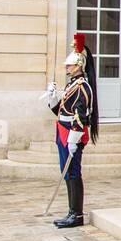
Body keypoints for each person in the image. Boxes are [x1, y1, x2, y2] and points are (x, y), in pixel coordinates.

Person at [41, 33, 98, 228]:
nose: (67, 68)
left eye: (70, 66)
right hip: (63, 131)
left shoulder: (83, 87)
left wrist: (74, 138)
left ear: (79, 66)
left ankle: (77, 214)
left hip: (72, 134)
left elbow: (81, 116)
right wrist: (52, 98)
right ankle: (71, 211)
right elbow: (62, 111)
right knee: (67, 172)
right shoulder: (72, 84)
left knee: (73, 172)